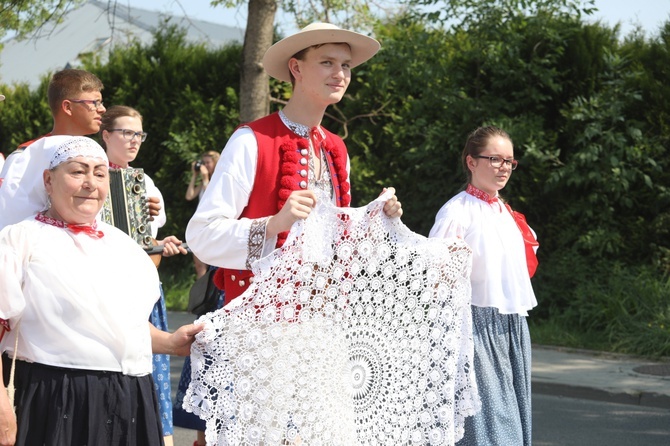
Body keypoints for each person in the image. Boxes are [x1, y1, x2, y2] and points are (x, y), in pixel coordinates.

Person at [183, 22, 401, 446]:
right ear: (296, 68)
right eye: (326, 62)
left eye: (345, 65)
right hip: (259, 328)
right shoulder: (252, 140)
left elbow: (339, 245)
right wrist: (274, 224)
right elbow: (202, 235)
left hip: (322, 325)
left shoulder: (336, 147)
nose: (339, 73)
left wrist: (379, 221)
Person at [0, 135, 202, 446]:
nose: (90, 183)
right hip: (55, 399)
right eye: (77, 171)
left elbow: (126, 326)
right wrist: (2, 409)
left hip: (130, 400)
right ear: (48, 180)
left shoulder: (124, 246)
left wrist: (172, 343)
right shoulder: (19, 240)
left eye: (98, 173)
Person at [429, 126, 539, 445]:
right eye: (494, 159)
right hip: (475, 330)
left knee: (512, 421)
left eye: (509, 161)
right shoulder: (456, 213)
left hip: (512, 328)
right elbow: (438, 282)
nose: (503, 167)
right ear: (471, 162)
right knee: (490, 428)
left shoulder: (504, 211)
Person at [100, 105, 188, 446]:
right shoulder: (86, 174)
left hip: (141, 287)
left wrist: (159, 243)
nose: (134, 140)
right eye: (126, 132)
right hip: (103, 287)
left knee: (152, 375)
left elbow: (144, 243)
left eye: (139, 134)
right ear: (106, 135)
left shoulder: (144, 182)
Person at [0, 69, 107, 227]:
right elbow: (13, 220)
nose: (102, 109)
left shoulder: (96, 154)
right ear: (68, 107)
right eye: (94, 103)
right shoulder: (27, 157)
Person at [185, 150, 220, 279]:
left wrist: (206, 178)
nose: (205, 166)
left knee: (214, 266)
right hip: (200, 227)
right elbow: (189, 196)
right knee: (199, 266)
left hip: (212, 226)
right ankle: (202, 297)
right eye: (203, 162)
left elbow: (211, 198)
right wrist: (195, 175)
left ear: (215, 163)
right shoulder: (204, 181)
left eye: (208, 162)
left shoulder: (219, 180)